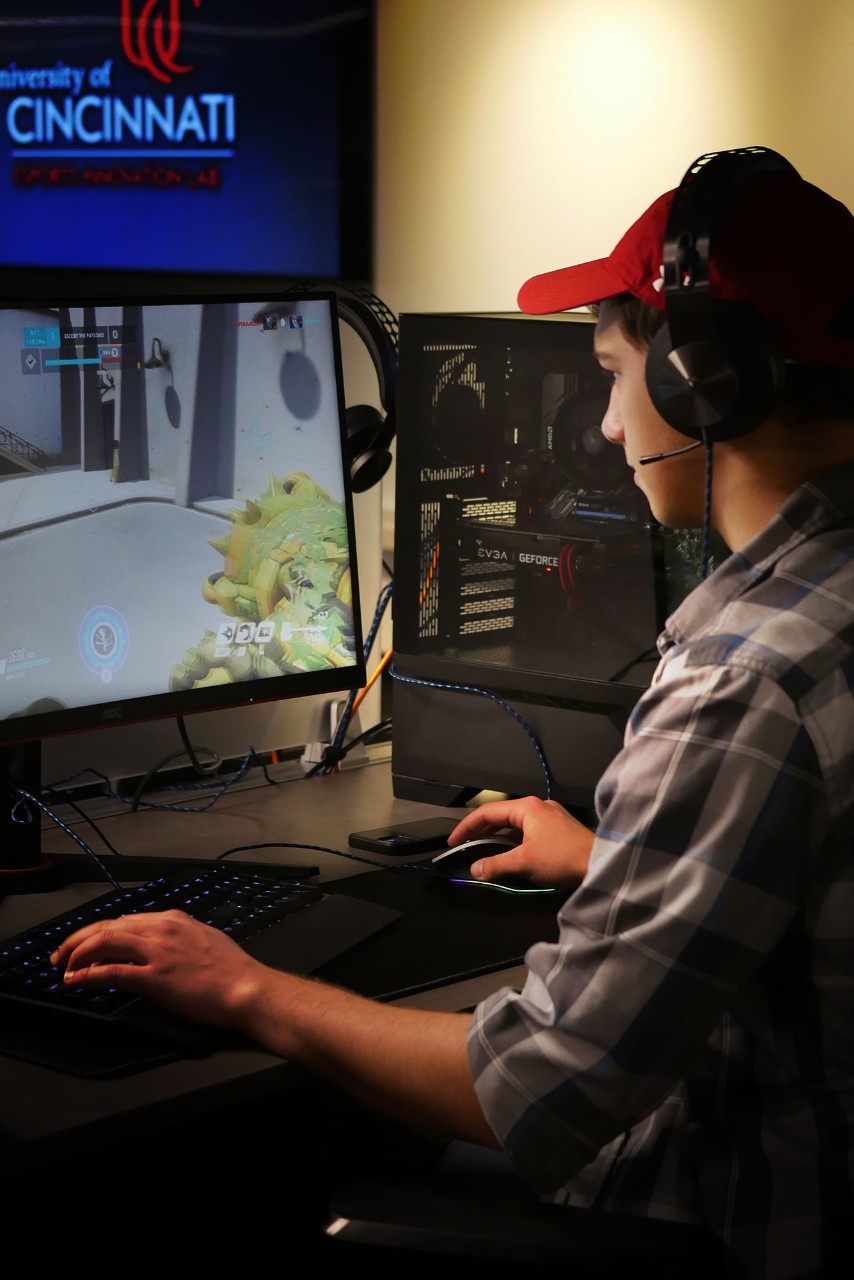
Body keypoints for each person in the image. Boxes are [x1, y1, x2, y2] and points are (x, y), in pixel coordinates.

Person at [52, 150, 854, 1279]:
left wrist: (244, 984)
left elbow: (529, 1089)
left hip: (730, 1217)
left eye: (616, 374)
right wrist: (618, 856)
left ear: (702, 384)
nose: (613, 426)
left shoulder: (741, 679)